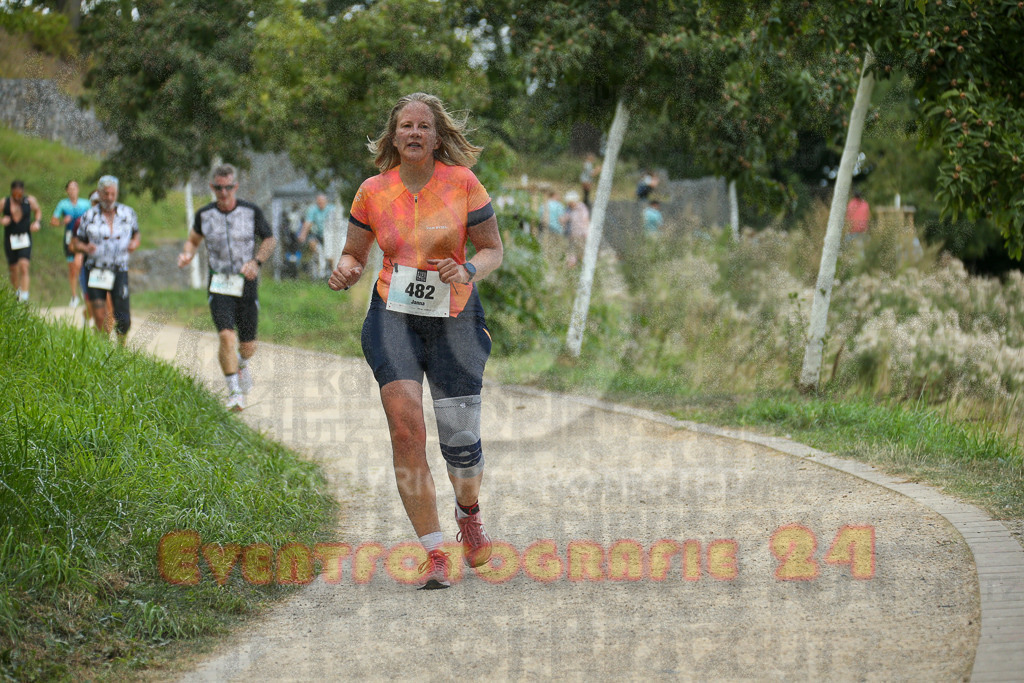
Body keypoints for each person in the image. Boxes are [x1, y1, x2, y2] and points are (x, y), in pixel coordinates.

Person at [329, 92, 503, 590]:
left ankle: (468, 511)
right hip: (393, 317)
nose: (414, 133)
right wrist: (346, 269)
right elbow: (354, 253)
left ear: (437, 136)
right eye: (405, 125)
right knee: (406, 429)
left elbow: (492, 249)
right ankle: (435, 552)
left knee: (460, 441)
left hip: (455, 319)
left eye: (423, 126)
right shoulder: (372, 191)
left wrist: (467, 268)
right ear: (393, 135)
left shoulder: (463, 183)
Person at [178, 164, 275, 412]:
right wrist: (187, 254)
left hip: (245, 283)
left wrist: (256, 262)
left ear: (236, 187)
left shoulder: (250, 211)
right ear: (212, 188)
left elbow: (269, 239)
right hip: (219, 283)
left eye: (228, 187)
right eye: (219, 188)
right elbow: (193, 240)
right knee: (226, 336)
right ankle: (234, 392)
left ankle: (241, 364)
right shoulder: (204, 215)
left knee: (248, 346)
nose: (224, 193)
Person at [72, 175, 139, 343]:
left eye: (112, 194)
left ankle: (121, 348)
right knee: (100, 315)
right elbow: (75, 243)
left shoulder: (128, 213)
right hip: (95, 269)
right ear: (99, 193)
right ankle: (102, 348)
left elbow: (136, 234)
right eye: (106, 194)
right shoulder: (88, 216)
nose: (109, 198)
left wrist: (134, 243)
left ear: (117, 193)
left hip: (119, 269)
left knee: (123, 318)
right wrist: (85, 248)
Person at [51, 180, 92, 308]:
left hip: (83, 238)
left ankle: (85, 293)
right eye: (70, 188)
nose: (73, 191)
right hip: (69, 238)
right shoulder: (63, 204)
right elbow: (53, 221)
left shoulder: (86, 204)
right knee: (72, 268)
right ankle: (74, 296)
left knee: (80, 265)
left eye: (75, 188)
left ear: (78, 189)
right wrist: (63, 222)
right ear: (67, 191)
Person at [2, 180, 43, 302]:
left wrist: (36, 222)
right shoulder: (4, 202)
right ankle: (17, 293)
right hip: (10, 239)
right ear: (12, 192)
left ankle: (25, 296)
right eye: (15, 194)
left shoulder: (29, 201)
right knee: (13, 269)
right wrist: (2, 220)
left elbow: (38, 211)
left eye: (19, 194)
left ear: (23, 191)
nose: (17, 196)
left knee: (24, 266)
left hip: (25, 238)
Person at [298, 193, 333, 278]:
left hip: (329, 234)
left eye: (322, 202)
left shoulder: (332, 208)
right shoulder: (312, 209)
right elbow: (308, 223)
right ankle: (319, 257)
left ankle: (331, 272)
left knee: (330, 254)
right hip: (317, 234)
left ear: (326, 201)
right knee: (312, 242)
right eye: (319, 202)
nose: (320, 204)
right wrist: (303, 235)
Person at [560, 190, 590, 268]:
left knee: (581, 253)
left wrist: (586, 233)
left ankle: (583, 268)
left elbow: (585, 221)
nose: (569, 204)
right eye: (568, 203)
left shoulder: (581, 208)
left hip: (581, 234)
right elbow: (565, 218)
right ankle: (572, 267)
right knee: (571, 253)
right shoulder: (568, 209)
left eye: (570, 202)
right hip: (571, 235)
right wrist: (562, 220)